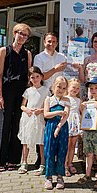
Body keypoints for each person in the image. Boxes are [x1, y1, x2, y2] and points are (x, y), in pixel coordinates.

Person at [0, 23, 32, 172]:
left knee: (17, 124)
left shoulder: (27, 53)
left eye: (25, 35)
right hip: (7, 91)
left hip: (21, 92)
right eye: (20, 33)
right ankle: (1, 161)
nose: (22, 37)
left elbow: (29, 76)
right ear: (14, 33)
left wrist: (29, 96)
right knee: (4, 125)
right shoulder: (4, 50)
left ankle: (13, 160)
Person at [33, 32, 67, 167]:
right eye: (48, 41)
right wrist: (55, 69)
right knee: (42, 125)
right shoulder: (39, 57)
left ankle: (56, 157)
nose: (51, 44)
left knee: (57, 123)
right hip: (44, 94)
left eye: (53, 41)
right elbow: (41, 77)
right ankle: (40, 158)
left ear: (57, 43)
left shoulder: (62, 57)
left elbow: (66, 75)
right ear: (44, 42)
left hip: (59, 96)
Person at [17, 66, 50, 175]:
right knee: (26, 141)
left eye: (37, 76)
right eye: (32, 77)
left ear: (41, 77)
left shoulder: (45, 91)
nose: (35, 79)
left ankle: (42, 164)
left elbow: (48, 106)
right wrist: (27, 110)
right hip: (28, 118)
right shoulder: (28, 91)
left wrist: (41, 110)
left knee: (40, 142)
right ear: (29, 79)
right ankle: (24, 162)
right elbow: (22, 105)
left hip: (39, 119)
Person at [43, 76, 70, 190]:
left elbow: (66, 115)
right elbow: (46, 114)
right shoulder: (48, 99)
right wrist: (58, 112)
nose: (60, 90)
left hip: (62, 128)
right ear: (53, 86)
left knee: (61, 151)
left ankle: (60, 176)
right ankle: (48, 177)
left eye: (64, 88)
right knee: (49, 151)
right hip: (50, 127)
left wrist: (59, 127)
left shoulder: (67, 100)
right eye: (59, 87)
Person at [65, 78, 82, 177]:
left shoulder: (79, 100)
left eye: (77, 88)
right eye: (73, 87)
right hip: (67, 123)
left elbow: (81, 112)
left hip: (75, 124)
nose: (75, 90)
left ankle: (70, 163)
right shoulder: (65, 98)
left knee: (72, 145)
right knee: (66, 145)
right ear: (68, 88)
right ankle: (64, 165)